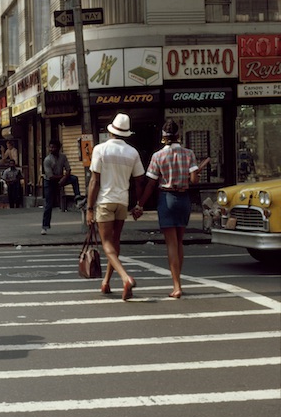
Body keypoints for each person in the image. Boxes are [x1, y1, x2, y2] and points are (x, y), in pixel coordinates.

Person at [134, 119, 210, 299]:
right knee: (179, 241)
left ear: (163, 137)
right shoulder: (189, 153)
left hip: (166, 199)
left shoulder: (158, 156)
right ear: (178, 135)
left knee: (171, 244)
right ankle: (179, 283)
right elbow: (194, 181)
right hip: (184, 199)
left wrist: (140, 205)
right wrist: (195, 173)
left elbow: (151, 183)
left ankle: (176, 286)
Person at [86, 113, 145, 301]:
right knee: (115, 243)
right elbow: (139, 181)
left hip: (105, 200)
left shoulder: (100, 149)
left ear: (110, 131)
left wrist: (89, 208)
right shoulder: (132, 153)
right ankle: (106, 282)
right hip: (122, 201)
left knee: (106, 245)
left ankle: (125, 277)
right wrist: (139, 204)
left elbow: (94, 181)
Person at [42, 139, 82, 235]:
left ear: (58, 148)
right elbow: (50, 176)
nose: (52, 149)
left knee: (74, 179)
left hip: (62, 179)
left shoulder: (63, 157)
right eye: (50, 147)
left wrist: (65, 177)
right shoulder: (47, 160)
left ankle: (77, 197)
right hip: (50, 183)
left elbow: (68, 169)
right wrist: (63, 177)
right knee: (49, 205)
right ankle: (45, 226)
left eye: (54, 147)